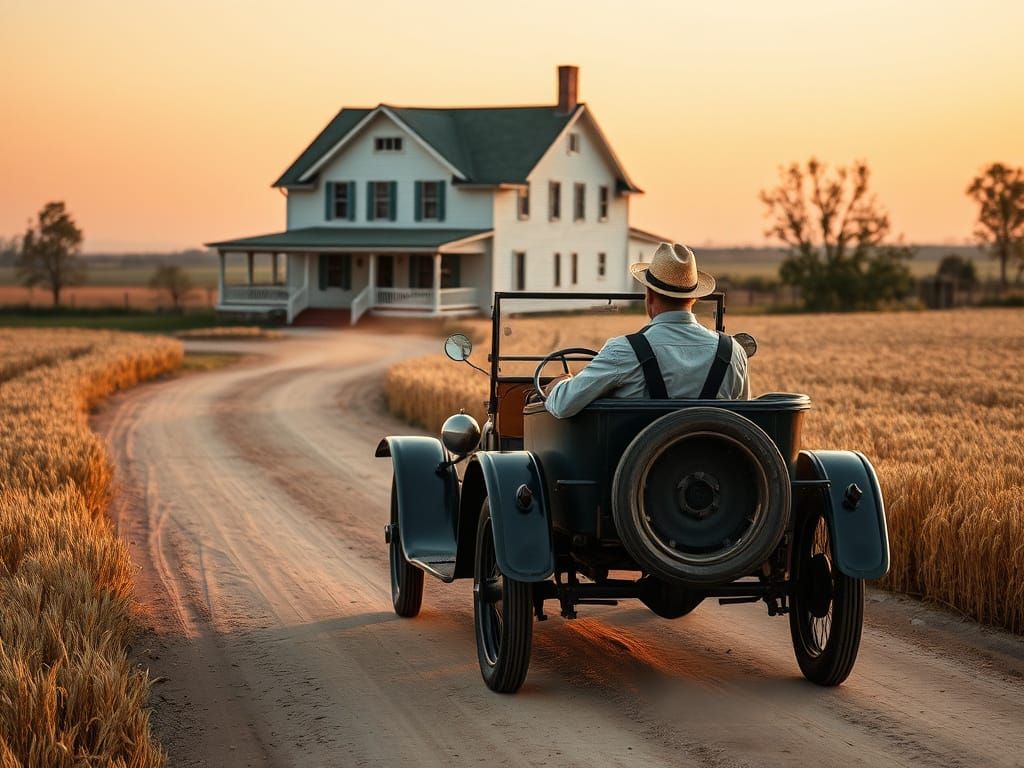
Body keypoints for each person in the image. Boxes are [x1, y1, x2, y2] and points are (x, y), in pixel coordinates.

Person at [544, 242, 750, 418]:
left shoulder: (623, 351)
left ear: (649, 295)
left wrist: (559, 385)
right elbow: (744, 419)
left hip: (636, 455)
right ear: (694, 298)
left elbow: (562, 405)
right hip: (716, 455)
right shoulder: (733, 352)